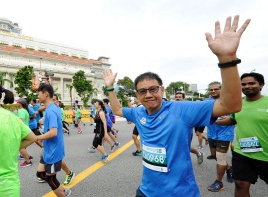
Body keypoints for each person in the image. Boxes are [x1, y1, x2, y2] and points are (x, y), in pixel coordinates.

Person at [101, 15, 250, 197]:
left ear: (162, 90)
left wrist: (227, 58)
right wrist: (110, 87)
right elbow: (116, 110)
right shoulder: (139, 113)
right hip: (146, 191)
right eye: (142, 91)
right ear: (137, 95)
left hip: (180, 193)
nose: (148, 94)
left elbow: (231, 104)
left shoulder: (182, 110)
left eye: (153, 89)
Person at [216, 72, 268, 197]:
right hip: (242, 152)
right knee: (240, 184)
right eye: (243, 84)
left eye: (251, 83)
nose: (247, 86)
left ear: (261, 85)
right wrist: (215, 121)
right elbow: (233, 120)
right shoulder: (238, 103)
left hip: (265, 155)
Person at [35, 84, 71, 196]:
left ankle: (63, 193)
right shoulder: (53, 108)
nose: (37, 96)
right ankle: (64, 191)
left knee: (50, 179)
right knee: (40, 174)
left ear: (46, 94)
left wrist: (36, 137)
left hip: (53, 150)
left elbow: (53, 132)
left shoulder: (50, 110)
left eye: (39, 94)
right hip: (49, 148)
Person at [205, 82, 235, 192]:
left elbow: (235, 117)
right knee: (215, 156)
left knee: (221, 157)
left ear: (222, 89)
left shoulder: (229, 101)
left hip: (225, 134)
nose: (213, 91)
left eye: (216, 89)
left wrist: (225, 117)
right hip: (211, 133)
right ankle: (229, 169)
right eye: (211, 89)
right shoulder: (206, 102)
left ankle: (219, 182)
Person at [175, 92, 204, 165]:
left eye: (180, 97)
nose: (178, 98)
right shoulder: (173, 107)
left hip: (186, 132)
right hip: (175, 131)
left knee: (185, 148)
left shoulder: (188, 108)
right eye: (176, 97)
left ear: (183, 98)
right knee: (177, 147)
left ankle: (198, 153)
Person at [16, 98, 33, 167]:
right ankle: (28, 156)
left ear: (20, 103)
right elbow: (28, 120)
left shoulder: (21, 111)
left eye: (17, 102)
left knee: (20, 147)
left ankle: (27, 161)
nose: (16, 103)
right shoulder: (25, 110)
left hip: (22, 130)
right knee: (22, 146)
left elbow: (21, 122)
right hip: (26, 129)